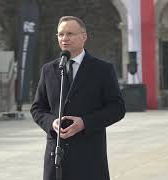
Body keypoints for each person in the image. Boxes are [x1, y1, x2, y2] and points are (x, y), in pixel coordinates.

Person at [30, 16, 126, 180]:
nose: (64, 39)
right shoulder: (49, 70)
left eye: (70, 34)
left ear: (84, 36)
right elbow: (37, 109)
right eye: (60, 34)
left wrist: (84, 123)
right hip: (56, 157)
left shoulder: (102, 69)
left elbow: (117, 108)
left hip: (89, 156)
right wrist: (52, 123)